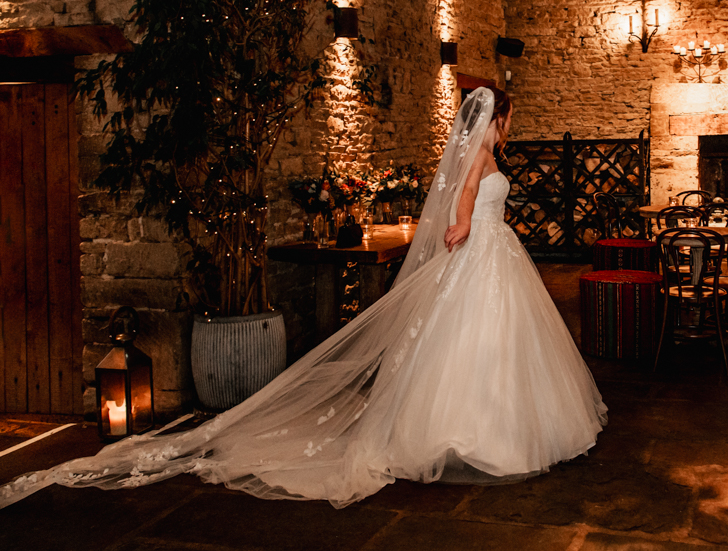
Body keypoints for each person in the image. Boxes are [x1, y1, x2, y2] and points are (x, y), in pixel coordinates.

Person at [0, 86, 607, 509]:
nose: (509, 125)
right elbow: (466, 194)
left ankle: (483, 430)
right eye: (509, 116)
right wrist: (465, 223)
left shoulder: (489, 149)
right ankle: (469, 436)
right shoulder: (480, 153)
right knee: (475, 347)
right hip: (482, 252)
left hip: (495, 258)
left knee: (491, 349)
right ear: (495, 118)